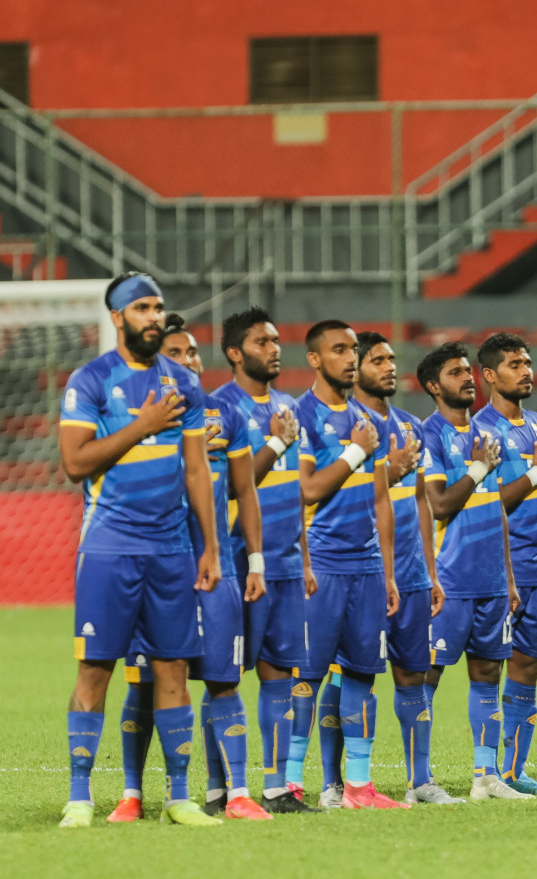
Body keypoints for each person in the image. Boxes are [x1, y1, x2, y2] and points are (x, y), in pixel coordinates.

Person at [57, 273, 222, 828]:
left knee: (172, 667)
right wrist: (144, 424)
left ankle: (179, 797)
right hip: (109, 547)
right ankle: (80, 797)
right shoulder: (92, 380)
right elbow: (76, 462)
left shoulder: (183, 383)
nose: (153, 316)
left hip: (172, 550)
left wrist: (210, 547)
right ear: (118, 318)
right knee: (96, 670)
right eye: (142, 307)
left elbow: (198, 469)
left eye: (158, 307)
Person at [108, 313, 271, 823]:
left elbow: (246, 491)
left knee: (223, 681)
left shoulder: (228, 415)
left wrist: (256, 562)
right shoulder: (140, 416)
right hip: (156, 569)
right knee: (144, 683)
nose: (187, 361)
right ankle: (133, 796)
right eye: (175, 354)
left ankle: (239, 794)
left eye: (192, 352)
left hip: (217, 568)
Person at [290, 320, 404, 809]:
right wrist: (358, 449)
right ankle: (290, 782)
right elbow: (307, 490)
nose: (350, 358)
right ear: (315, 359)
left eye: (354, 350)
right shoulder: (299, 416)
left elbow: (382, 501)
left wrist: (389, 571)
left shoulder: (368, 419)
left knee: (362, 673)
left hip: (366, 568)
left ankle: (358, 786)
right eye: (339, 350)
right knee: (306, 677)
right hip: (320, 563)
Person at [418, 342, 536, 801]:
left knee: (489, 674)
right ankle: (420, 780)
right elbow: (441, 504)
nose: (467, 378)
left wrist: (508, 578)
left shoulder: (489, 435)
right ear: (433, 386)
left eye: (468, 371)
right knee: (427, 676)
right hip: (449, 579)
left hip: (490, 580)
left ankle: (486, 778)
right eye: (454, 373)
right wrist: (480, 466)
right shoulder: (430, 435)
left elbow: (498, 511)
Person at [213, 307, 318, 814]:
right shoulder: (219, 410)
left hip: (286, 563)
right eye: (261, 342)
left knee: (280, 674)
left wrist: (306, 555)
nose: (274, 349)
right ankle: (220, 790)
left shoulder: (288, 406)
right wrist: (276, 442)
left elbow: (297, 490)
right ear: (235, 353)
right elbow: (233, 485)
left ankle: (276, 788)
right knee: (225, 675)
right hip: (236, 561)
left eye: (276, 341)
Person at [354, 333, 460, 805]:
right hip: (361, 571)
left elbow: (422, 504)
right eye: (377, 360)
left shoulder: (411, 427)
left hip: (413, 575)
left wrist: (431, 571)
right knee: (353, 676)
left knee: (413, 676)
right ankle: (346, 784)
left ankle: (421, 781)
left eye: (391, 359)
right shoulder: (346, 426)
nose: (388, 366)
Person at [472, 333, 537, 794]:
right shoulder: (480, 432)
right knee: (487, 667)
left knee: (528, 667)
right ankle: (481, 769)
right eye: (514, 365)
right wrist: (535, 473)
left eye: (527, 363)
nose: (526, 371)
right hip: (499, 567)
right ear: (489, 375)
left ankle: (513, 770)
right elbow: (490, 504)